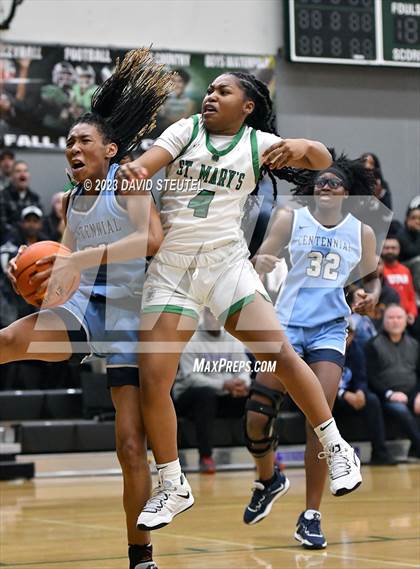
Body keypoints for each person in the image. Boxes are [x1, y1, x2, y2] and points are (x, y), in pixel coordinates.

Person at [119, 72, 363, 532]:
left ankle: (335, 447)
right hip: (173, 268)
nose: (211, 96)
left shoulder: (259, 143)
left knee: (280, 355)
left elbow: (323, 158)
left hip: (225, 264)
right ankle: (172, 483)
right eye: (209, 90)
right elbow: (151, 161)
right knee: (154, 379)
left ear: (247, 106)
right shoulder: (186, 129)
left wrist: (300, 146)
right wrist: (137, 171)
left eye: (222, 91)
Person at [0, 48, 174, 569]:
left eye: (83, 140)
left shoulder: (128, 179)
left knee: (127, 445)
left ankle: (140, 554)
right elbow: (61, 276)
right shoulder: (75, 200)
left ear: (111, 148)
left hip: (130, 313)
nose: (73, 147)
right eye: (69, 141)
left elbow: (152, 239)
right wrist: (30, 278)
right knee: (7, 340)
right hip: (83, 307)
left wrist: (77, 259)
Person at [242, 154, 379, 549]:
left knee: (320, 418)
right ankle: (269, 480)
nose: (325, 187)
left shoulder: (361, 232)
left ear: (347, 192)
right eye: (320, 183)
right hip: (285, 324)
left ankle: (311, 515)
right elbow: (265, 254)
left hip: (329, 330)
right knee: (257, 413)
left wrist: (367, 297)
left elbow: (369, 280)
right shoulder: (291, 216)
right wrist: (263, 260)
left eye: (333, 183)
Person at [174, 307, 251, 473]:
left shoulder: (232, 338)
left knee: (257, 394)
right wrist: (224, 384)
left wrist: (242, 383)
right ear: (204, 314)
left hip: (222, 396)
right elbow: (191, 378)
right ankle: (206, 457)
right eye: (210, 313)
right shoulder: (191, 339)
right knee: (205, 394)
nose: (214, 318)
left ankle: (265, 454)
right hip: (189, 398)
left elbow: (245, 369)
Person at [334, 321, 397, 466]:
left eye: (347, 334)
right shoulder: (325, 351)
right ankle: (336, 458)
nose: (344, 338)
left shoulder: (356, 349)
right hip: (330, 396)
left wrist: (361, 391)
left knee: (372, 400)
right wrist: (343, 394)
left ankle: (379, 453)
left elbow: (361, 376)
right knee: (326, 403)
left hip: (351, 394)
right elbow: (320, 383)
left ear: (353, 335)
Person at [365, 304, 420, 459]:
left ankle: (415, 450)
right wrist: (389, 394)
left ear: (405, 320)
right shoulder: (372, 345)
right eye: (391, 317)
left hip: (412, 394)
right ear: (384, 320)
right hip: (387, 397)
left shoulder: (415, 344)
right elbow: (371, 377)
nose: (395, 321)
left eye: (399, 317)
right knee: (400, 411)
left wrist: (418, 394)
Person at [381, 237, 418, 326]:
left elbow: (411, 295)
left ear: (399, 250)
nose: (390, 251)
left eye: (393, 248)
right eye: (386, 248)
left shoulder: (405, 270)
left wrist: (412, 313)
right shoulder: (378, 270)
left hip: (407, 317)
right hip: (388, 318)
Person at [0, 161, 42, 238]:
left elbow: (40, 224)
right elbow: (2, 225)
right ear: (12, 176)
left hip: (31, 242)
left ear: (29, 175)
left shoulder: (34, 197)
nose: (22, 174)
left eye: (25, 171)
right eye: (18, 171)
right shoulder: (2, 196)